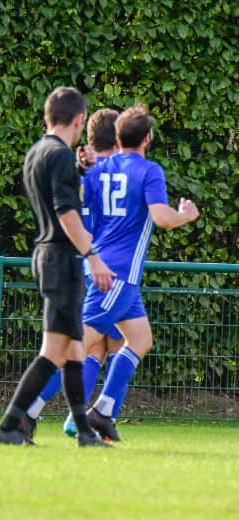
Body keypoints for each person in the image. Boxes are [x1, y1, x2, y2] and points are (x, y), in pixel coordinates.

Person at [0, 86, 115, 447]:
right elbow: (65, 213)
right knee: (54, 351)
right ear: (79, 120)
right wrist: (93, 256)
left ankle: (85, 433)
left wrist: (79, 169)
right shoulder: (58, 155)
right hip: (62, 259)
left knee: (75, 350)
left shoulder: (38, 152)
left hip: (47, 256)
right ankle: (8, 425)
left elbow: (51, 195)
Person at [78, 104, 200, 441]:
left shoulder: (98, 169)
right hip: (115, 272)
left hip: (98, 265)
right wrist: (186, 214)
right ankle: (28, 412)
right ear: (147, 138)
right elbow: (161, 217)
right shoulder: (147, 171)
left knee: (140, 340)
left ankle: (103, 411)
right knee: (78, 346)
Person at [22, 109, 125, 436]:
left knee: (99, 346)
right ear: (119, 138)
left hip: (82, 263)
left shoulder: (82, 171)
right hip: (107, 268)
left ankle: (80, 416)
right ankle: (36, 411)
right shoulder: (119, 172)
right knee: (97, 344)